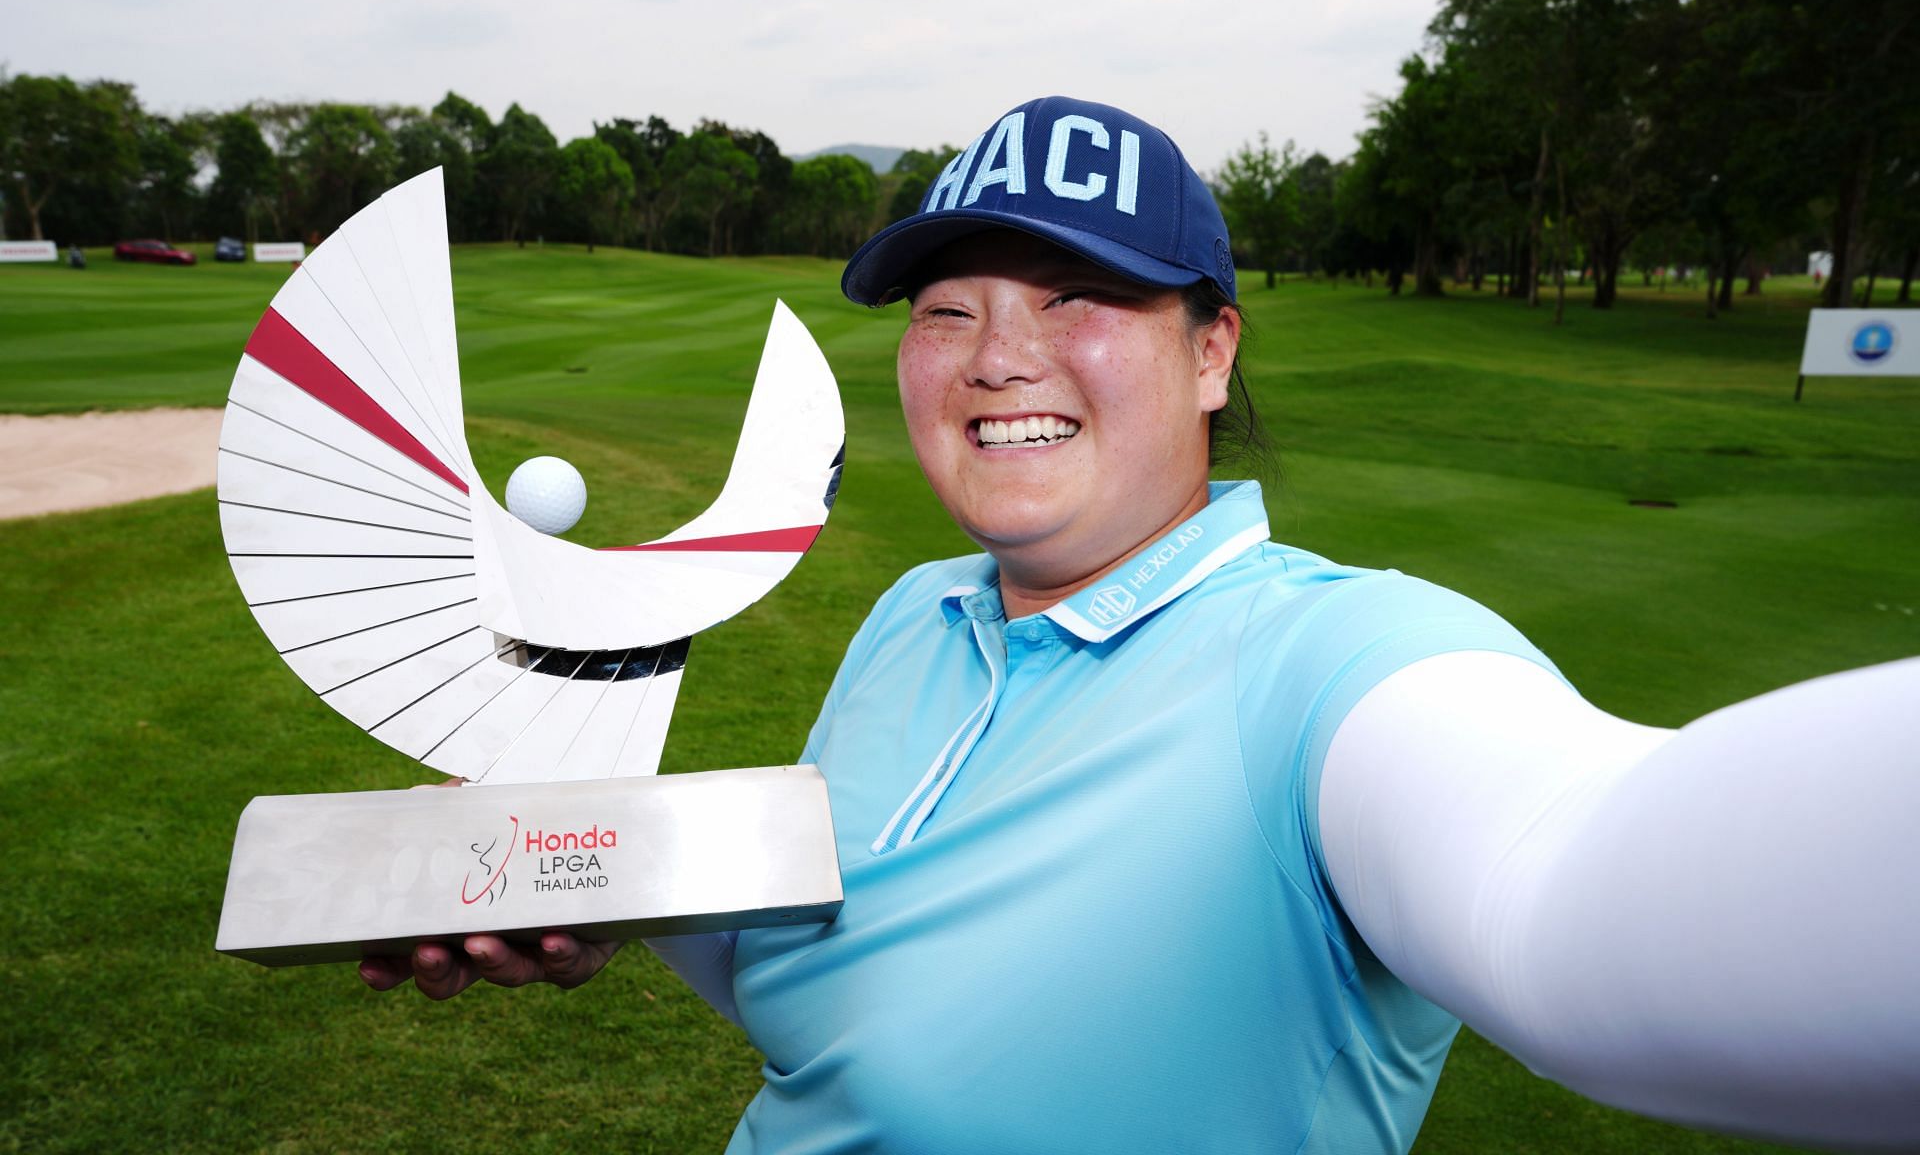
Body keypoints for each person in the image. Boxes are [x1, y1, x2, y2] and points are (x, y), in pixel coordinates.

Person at [362, 97, 1919, 1153]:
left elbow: (1571, 892)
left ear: (1211, 353)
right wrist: (597, 874)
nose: (997, 356)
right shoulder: (915, 619)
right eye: (948, 306)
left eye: (1079, 297)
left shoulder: (1330, 669)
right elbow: (852, 978)